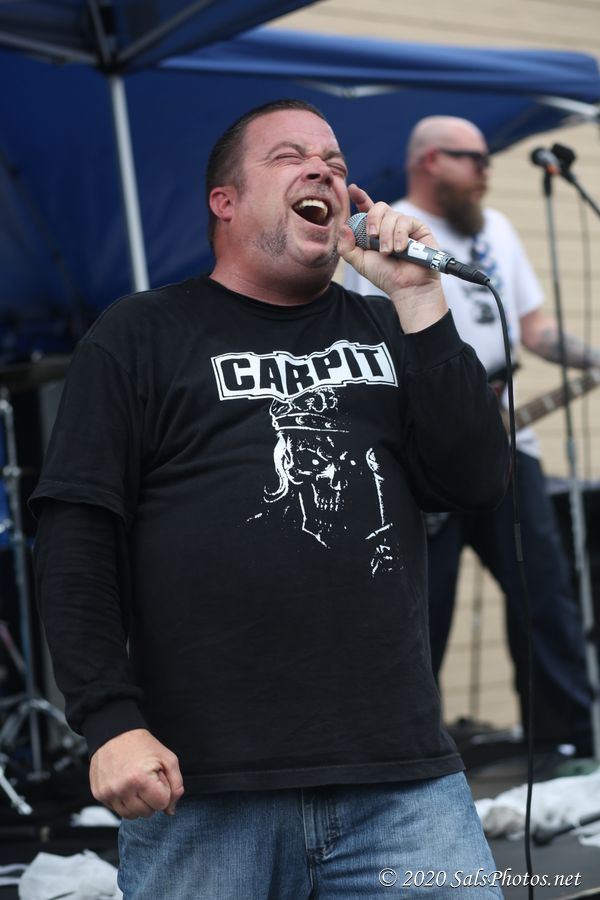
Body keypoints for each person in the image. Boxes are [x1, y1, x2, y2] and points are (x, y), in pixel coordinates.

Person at [32, 100, 510, 899]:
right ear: (224, 201)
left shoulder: (389, 327)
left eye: (336, 163)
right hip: (205, 789)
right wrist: (109, 721)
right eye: (290, 156)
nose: (324, 169)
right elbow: (77, 537)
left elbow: (475, 481)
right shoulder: (141, 334)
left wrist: (421, 299)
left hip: (400, 783)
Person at [345, 115, 597, 754]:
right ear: (431, 160)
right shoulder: (385, 229)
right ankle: (407, 751)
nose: (487, 171)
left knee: (545, 596)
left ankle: (567, 742)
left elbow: (535, 330)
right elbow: (363, 341)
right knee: (423, 606)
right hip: (422, 453)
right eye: (474, 159)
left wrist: (593, 357)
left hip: (510, 447)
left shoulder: (497, 230)